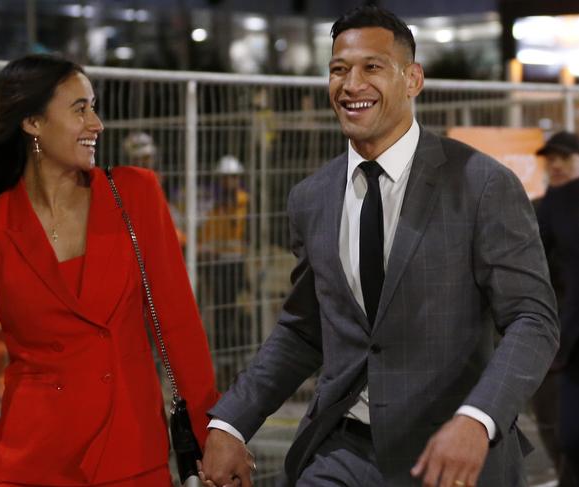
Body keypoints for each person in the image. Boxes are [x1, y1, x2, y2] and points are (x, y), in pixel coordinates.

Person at [199, 6, 559, 487]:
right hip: (340, 452)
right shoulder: (310, 198)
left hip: (447, 455)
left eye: (372, 67)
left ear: (412, 79)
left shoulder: (483, 184)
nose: (351, 85)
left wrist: (478, 418)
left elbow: (532, 319)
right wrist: (230, 422)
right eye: (338, 69)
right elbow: (305, 330)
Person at [0, 54, 219, 486]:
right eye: (80, 108)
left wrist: (215, 439)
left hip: (131, 458)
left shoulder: (136, 193)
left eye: (95, 106)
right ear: (32, 122)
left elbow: (180, 331)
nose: (97, 123)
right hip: (32, 463)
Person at [536, 131, 579, 486]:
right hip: (557, 335)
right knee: (560, 429)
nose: (555, 165)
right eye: (550, 159)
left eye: (564, 157)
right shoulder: (548, 205)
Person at [198, 155, 249, 384]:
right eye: (227, 178)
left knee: (241, 312)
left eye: (234, 178)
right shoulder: (212, 204)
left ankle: (240, 356)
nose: (231, 182)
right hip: (216, 264)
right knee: (219, 313)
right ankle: (222, 361)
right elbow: (205, 235)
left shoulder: (245, 201)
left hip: (237, 264)